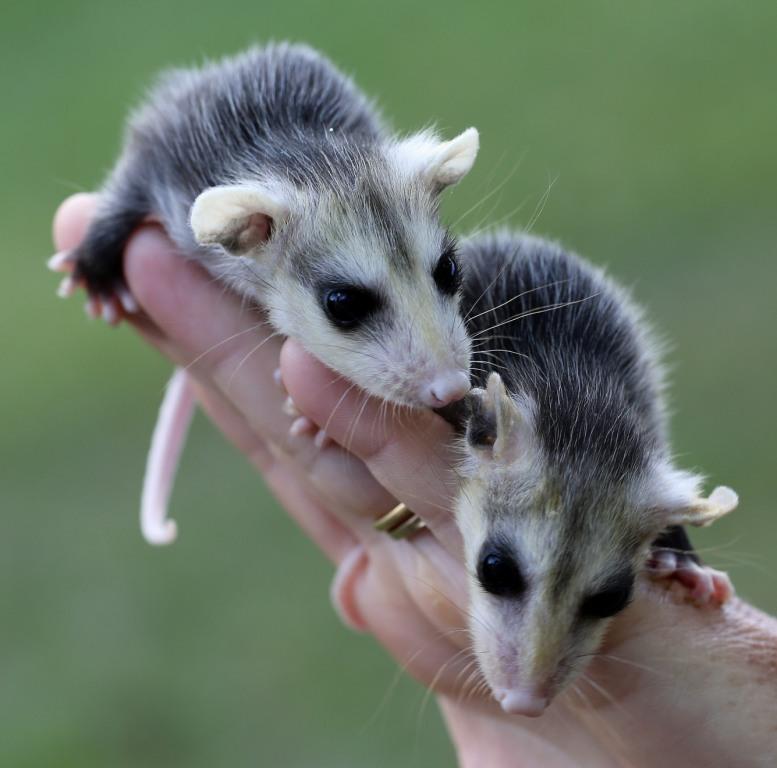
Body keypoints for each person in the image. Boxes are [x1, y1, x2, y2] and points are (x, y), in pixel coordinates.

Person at [54, 194, 777, 767]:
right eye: (496, 570)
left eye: (606, 597)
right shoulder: (488, 424)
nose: (530, 688)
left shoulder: (621, 482)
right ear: (490, 446)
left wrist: (674, 552)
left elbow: (631, 487)